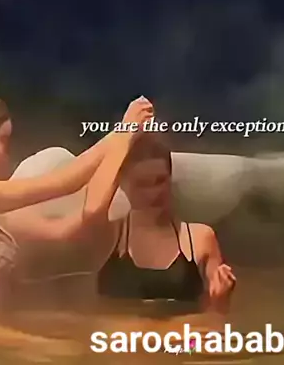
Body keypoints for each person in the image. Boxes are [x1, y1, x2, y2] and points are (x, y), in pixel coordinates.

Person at [0, 73, 153, 323]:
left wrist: (119, 152)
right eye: (4, 141)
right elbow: (64, 182)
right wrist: (123, 131)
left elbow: (67, 230)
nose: (6, 155)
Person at [92, 132, 236, 316]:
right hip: (120, 334)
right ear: (122, 184)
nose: (153, 193)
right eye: (142, 184)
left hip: (182, 334)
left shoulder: (199, 239)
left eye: (160, 181)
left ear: (170, 178)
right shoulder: (109, 236)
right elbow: (90, 209)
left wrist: (221, 299)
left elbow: (217, 318)